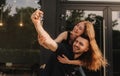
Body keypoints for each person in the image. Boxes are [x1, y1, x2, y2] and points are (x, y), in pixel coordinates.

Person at [31, 10, 107, 76]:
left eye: (80, 29)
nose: (76, 28)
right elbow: (52, 44)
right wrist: (44, 43)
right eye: (77, 25)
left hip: (71, 65)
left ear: (84, 34)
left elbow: (85, 62)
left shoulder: (85, 47)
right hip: (59, 61)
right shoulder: (66, 36)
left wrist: (69, 62)